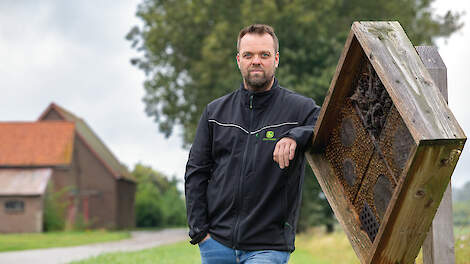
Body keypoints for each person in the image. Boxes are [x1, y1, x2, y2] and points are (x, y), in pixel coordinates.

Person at [185, 24, 321, 264]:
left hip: (269, 246)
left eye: (264, 55)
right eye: (248, 55)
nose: (256, 61)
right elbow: (196, 172)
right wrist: (200, 232)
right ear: (239, 60)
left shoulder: (300, 108)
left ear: (276, 59)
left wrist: (294, 135)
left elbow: (328, 124)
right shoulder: (215, 112)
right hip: (216, 243)